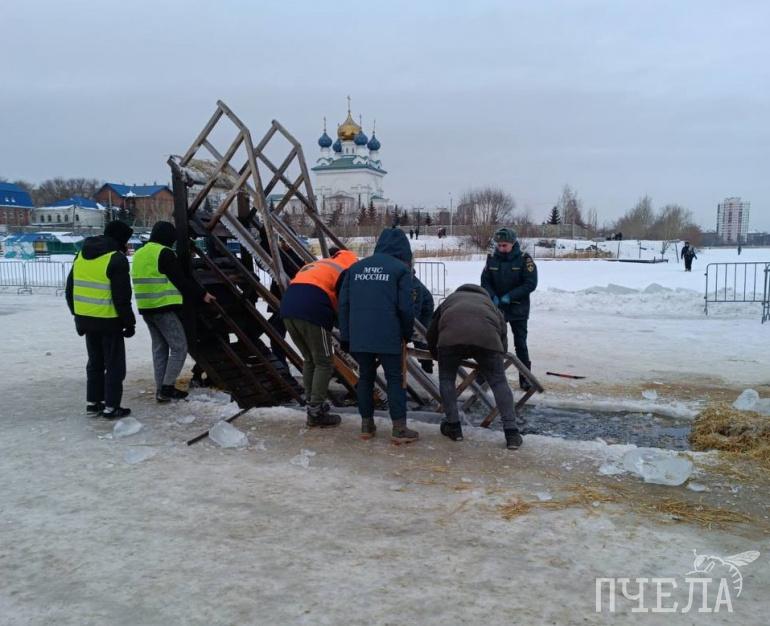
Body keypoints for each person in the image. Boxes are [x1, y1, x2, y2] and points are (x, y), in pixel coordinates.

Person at [338, 228, 417, 443]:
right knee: (395, 379)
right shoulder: (400, 270)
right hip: (388, 334)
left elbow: (344, 305)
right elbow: (406, 308)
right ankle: (399, 429)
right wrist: (407, 333)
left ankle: (366, 425)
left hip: (359, 335)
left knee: (365, 378)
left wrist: (346, 336)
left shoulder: (355, 268)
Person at [427, 284, 523, 449]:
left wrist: (436, 353)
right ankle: (512, 433)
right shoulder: (490, 304)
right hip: (487, 341)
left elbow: (432, 330)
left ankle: (453, 427)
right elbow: (502, 331)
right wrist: (498, 356)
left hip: (450, 340)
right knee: (499, 382)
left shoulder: (450, 300)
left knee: (447, 379)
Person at [131, 221, 216, 403]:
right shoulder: (165, 253)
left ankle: (160, 390)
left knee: (160, 349)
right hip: (163, 307)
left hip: (146, 308)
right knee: (179, 347)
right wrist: (202, 294)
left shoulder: (140, 253)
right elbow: (181, 280)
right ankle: (167, 387)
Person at [280, 247, 359, 427]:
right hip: (313, 312)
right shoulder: (346, 271)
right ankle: (316, 412)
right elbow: (343, 303)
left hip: (287, 310)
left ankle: (312, 406)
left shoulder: (319, 264)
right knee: (324, 362)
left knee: (310, 360)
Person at [65, 221, 136, 419]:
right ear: (120, 239)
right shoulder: (116, 259)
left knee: (95, 363)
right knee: (114, 365)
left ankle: (93, 403)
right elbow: (122, 297)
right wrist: (129, 323)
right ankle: (111, 407)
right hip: (109, 320)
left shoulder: (81, 255)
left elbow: (69, 290)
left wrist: (77, 315)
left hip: (86, 320)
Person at [481, 227, 538, 390]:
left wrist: (510, 296)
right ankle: (491, 376)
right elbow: (485, 281)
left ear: (513, 243)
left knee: (521, 344)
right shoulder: (492, 259)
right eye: (499, 245)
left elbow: (530, 283)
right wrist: (492, 295)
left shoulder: (524, 260)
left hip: (518, 309)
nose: (501, 248)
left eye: (504, 245)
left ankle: (525, 378)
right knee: (494, 343)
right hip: (497, 308)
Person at [411, 272, 435, 373]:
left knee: (421, 337)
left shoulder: (414, 285)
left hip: (425, 309)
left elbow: (415, 310)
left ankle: (427, 366)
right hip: (415, 307)